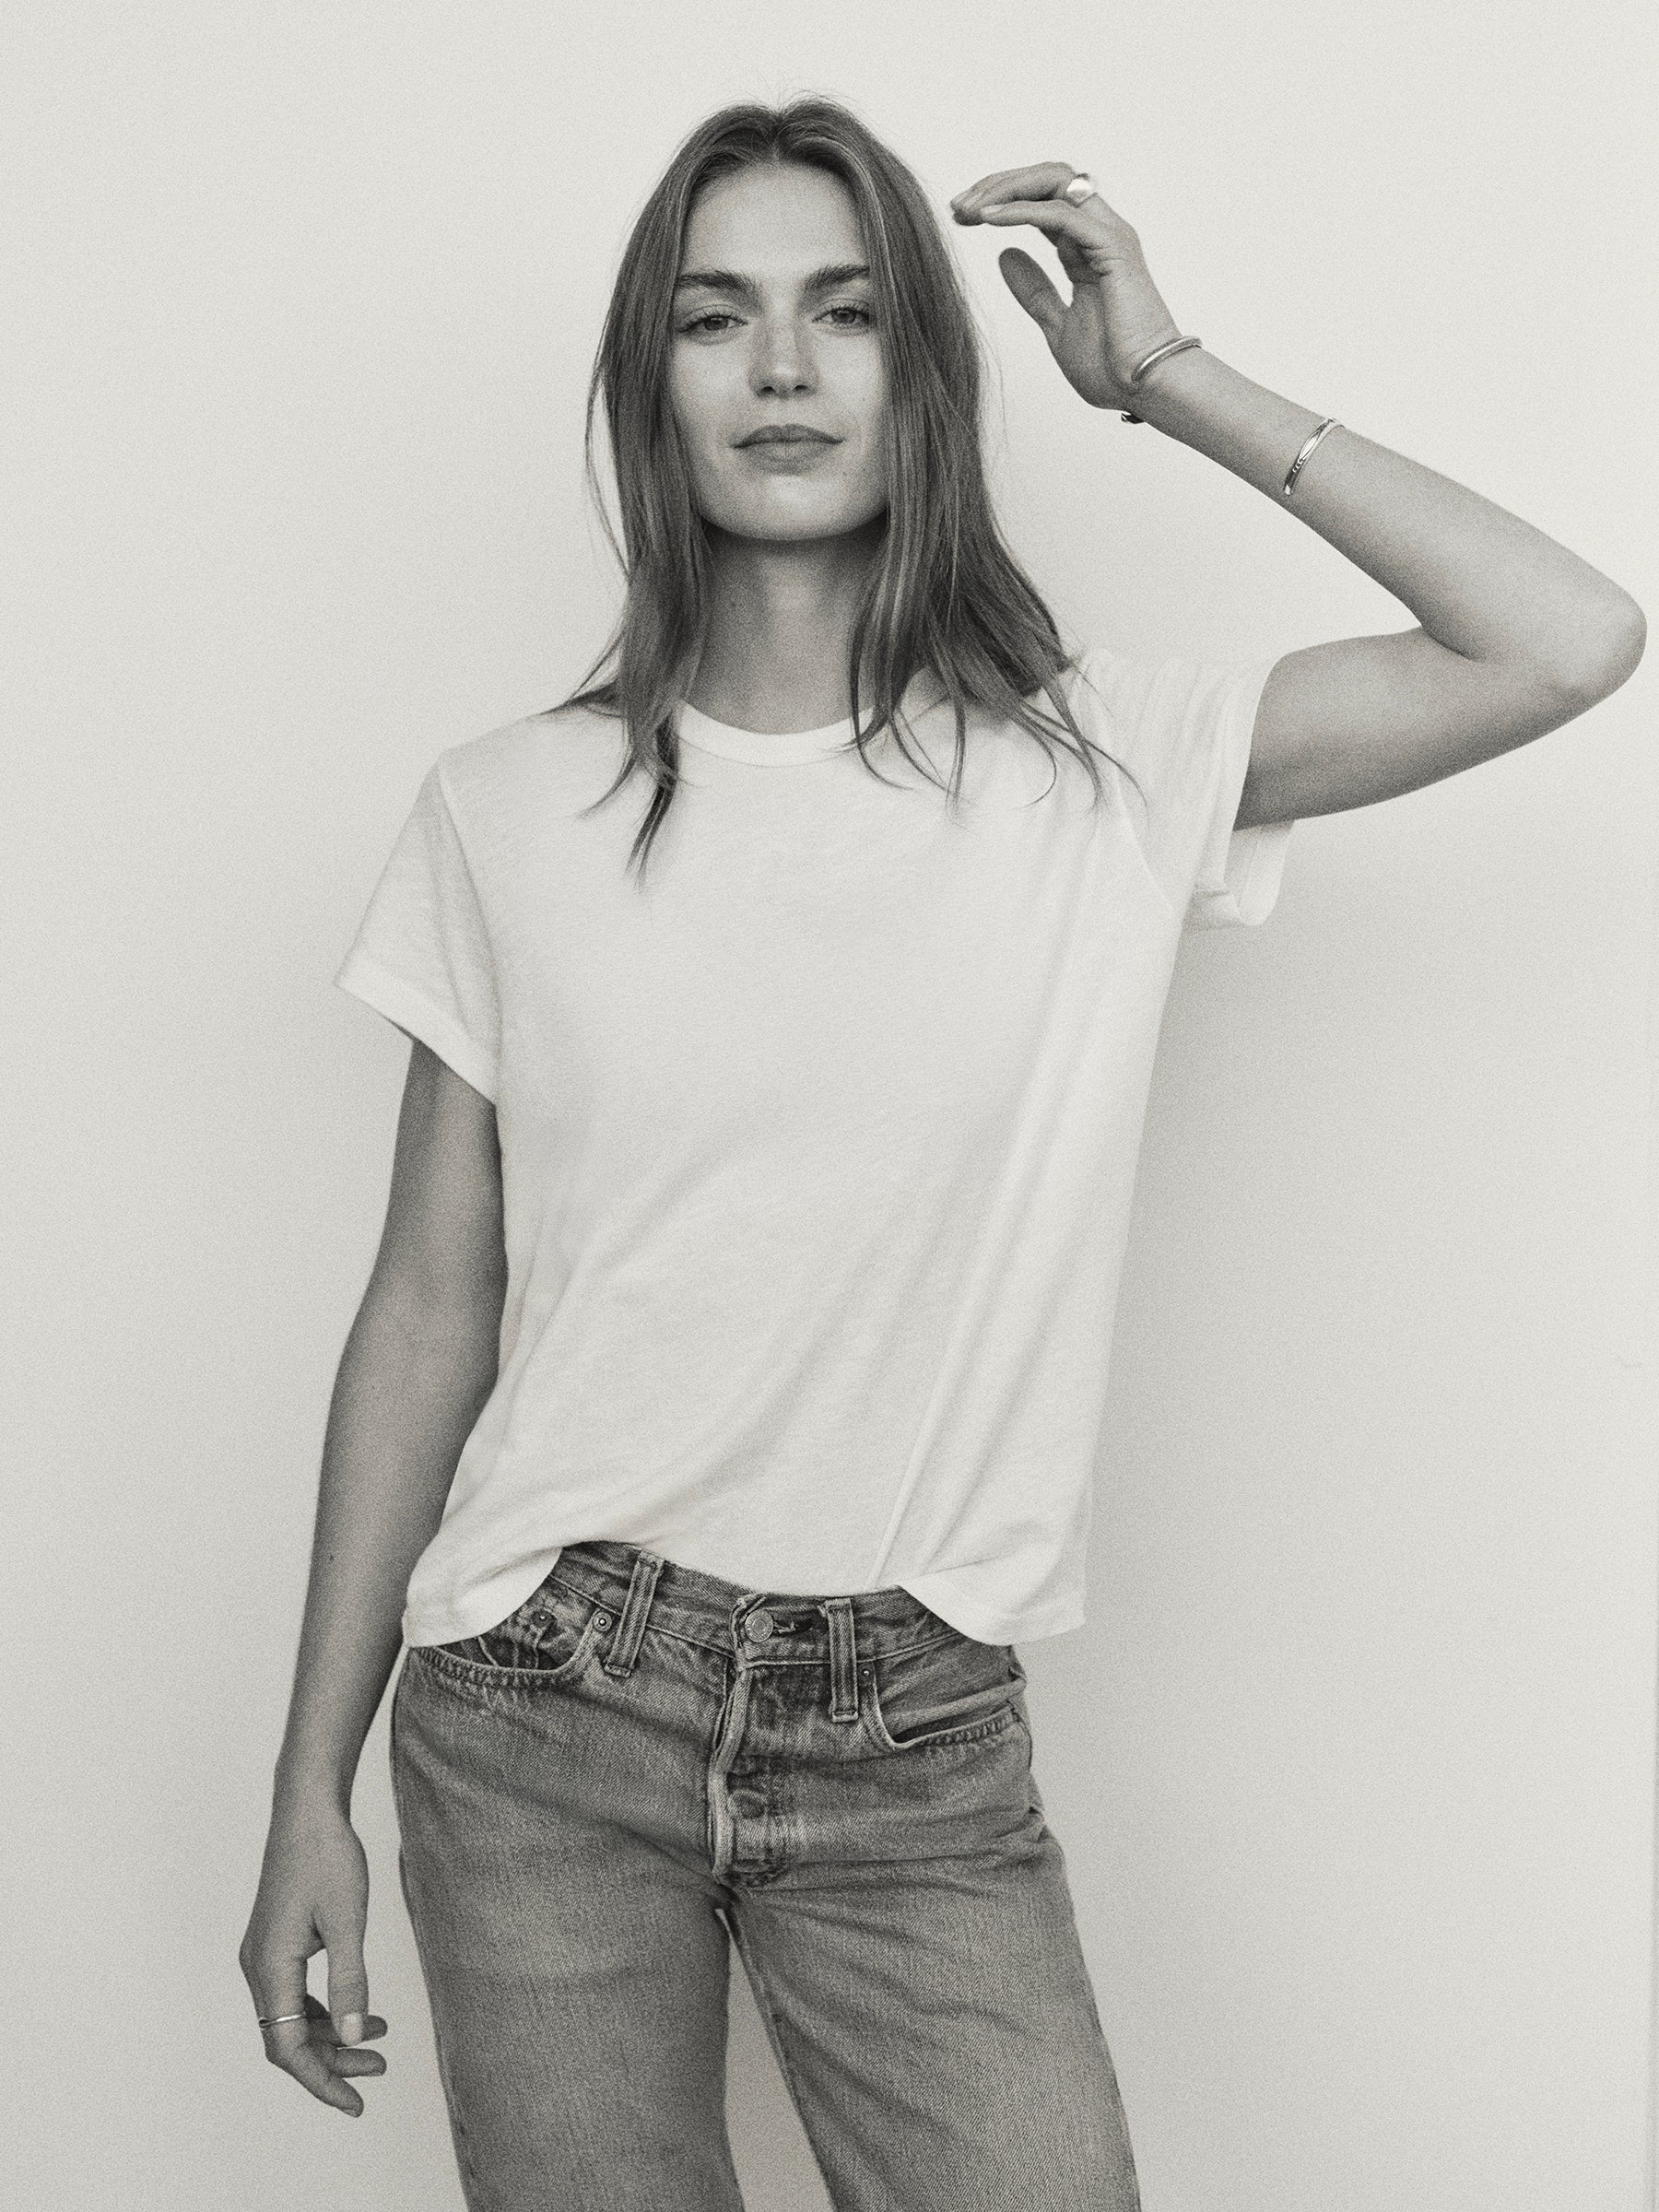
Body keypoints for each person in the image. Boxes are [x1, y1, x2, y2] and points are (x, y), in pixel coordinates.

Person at [239, 95, 1643, 2212]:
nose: (782, 368)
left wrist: (1162, 376)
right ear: (651, 380)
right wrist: (303, 1791)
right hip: (538, 1704)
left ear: (927, 374)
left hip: (914, 1720)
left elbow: (1562, 638)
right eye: (716, 316)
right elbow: (430, 1309)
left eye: (848, 312)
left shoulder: (1102, 769)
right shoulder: (506, 812)